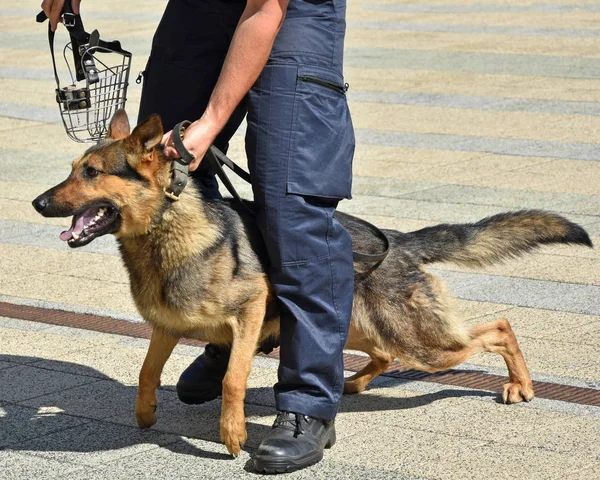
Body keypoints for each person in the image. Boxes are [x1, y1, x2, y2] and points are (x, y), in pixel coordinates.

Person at [42, 0, 355, 472]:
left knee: (294, 207)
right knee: (166, 185)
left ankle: (307, 403)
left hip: (290, 13)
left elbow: (265, 9)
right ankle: (225, 339)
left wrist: (211, 121)